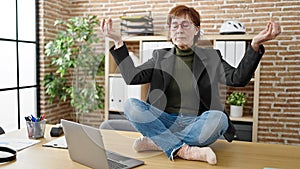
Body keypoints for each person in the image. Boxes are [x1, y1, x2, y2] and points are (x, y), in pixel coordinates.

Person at [101, 5, 281, 165]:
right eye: (174, 25)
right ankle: (184, 150)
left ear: (196, 30)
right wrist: (118, 41)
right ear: (170, 31)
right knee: (131, 105)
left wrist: (255, 45)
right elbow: (132, 77)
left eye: (185, 25)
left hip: (196, 122)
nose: (179, 29)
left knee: (219, 119)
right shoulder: (159, 56)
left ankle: (158, 141)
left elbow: (237, 78)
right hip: (164, 119)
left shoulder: (211, 57)